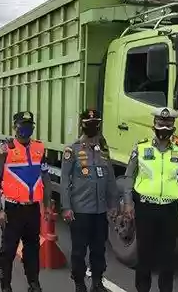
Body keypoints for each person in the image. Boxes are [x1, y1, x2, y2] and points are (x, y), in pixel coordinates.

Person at [121, 107, 178, 292]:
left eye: (168, 124)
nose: (164, 127)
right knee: (144, 254)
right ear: (153, 125)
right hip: (145, 208)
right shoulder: (141, 147)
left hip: (169, 209)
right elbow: (129, 176)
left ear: (173, 127)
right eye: (160, 124)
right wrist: (128, 202)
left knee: (168, 256)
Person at [0, 111, 52, 292]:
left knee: (32, 250)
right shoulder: (4, 150)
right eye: (22, 125)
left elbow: (45, 177)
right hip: (12, 210)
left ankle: (34, 284)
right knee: (7, 251)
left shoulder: (39, 148)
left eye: (29, 125)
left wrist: (47, 205)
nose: (26, 129)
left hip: (32, 210)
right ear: (14, 127)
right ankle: (6, 287)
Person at [61, 108, 120, 292]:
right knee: (79, 251)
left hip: (100, 210)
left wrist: (113, 205)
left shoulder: (103, 149)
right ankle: (79, 283)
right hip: (80, 211)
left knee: (98, 250)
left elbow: (110, 178)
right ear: (82, 126)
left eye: (96, 124)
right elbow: (64, 181)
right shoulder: (72, 150)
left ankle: (97, 282)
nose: (93, 128)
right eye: (90, 125)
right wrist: (66, 207)